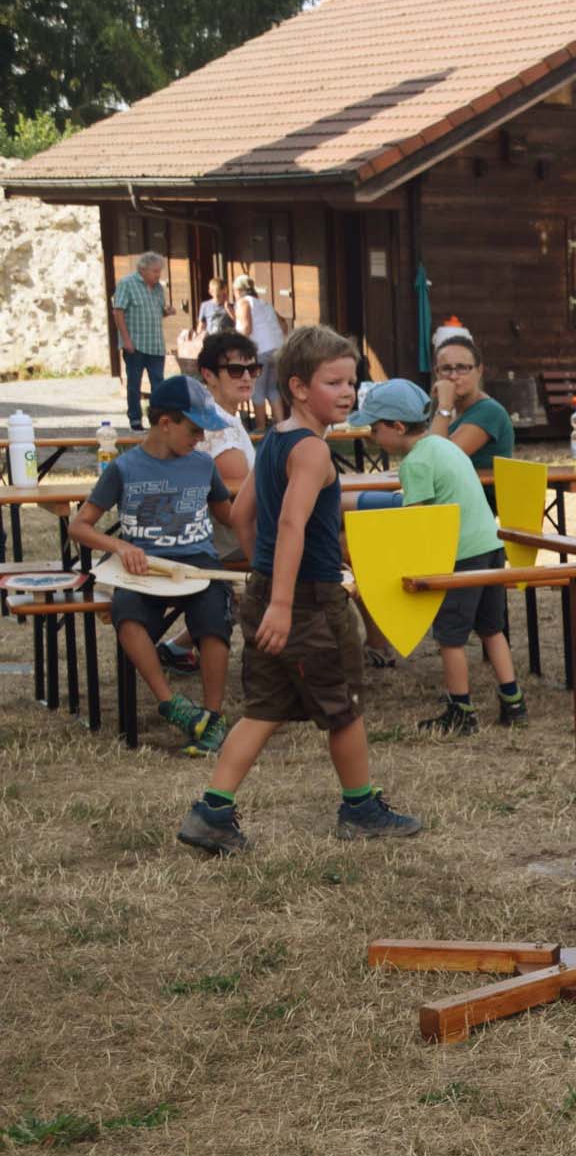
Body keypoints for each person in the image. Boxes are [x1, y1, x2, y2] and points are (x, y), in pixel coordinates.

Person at [176, 325, 421, 855]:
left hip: (271, 592)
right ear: (298, 386)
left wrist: (262, 579)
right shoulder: (310, 452)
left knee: (264, 709)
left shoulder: (274, 441)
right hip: (308, 603)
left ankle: (211, 812)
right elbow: (289, 525)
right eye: (333, 382)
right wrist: (284, 602)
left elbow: (243, 513)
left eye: (351, 381)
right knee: (345, 707)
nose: (347, 392)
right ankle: (360, 807)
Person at [344, 379, 526, 735]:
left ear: (397, 427)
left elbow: (418, 526)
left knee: (450, 637)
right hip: (489, 546)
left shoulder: (416, 464)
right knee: (492, 628)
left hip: (460, 555)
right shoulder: (444, 447)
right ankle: (513, 700)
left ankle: (461, 710)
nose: (371, 435)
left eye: (374, 427)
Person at [66, 377, 236, 756]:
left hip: (198, 561)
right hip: (143, 565)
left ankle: (212, 717)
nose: (199, 438)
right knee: (127, 616)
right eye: (193, 430)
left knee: (214, 622)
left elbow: (228, 515)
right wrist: (120, 546)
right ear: (165, 423)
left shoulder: (203, 464)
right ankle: (172, 705)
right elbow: (79, 526)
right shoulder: (125, 468)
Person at [157, 330, 264, 674]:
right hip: (223, 536)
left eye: (253, 369)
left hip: (221, 532)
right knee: (330, 539)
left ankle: (177, 647)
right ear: (208, 374)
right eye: (235, 370)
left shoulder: (223, 417)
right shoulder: (217, 426)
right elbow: (240, 494)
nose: (246, 377)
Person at [427, 335, 514, 474]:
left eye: (462, 368)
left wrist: (444, 406)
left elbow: (438, 461)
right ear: (437, 373)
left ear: (479, 370)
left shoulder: (489, 411)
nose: (453, 376)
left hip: (482, 495)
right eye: (446, 368)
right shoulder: (450, 411)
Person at [111, 252, 168, 431]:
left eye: (159, 271)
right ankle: (135, 420)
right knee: (134, 385)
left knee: (159, 385)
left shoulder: (159, 288)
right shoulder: (127, 284)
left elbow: (158, 312)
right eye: (155, 271)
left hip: (156, 345)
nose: (158, 275)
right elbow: (118, 312)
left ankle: (158, 420)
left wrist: (167, 311)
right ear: (142, 270)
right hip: (135, 345)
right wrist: (126, 340)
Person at [232, 274, 287, 429]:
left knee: (257, 391)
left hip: (260, 350)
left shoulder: (244, 302)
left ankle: (261, 430)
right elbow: (283, 324)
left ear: (238, 290)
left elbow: (246, 328)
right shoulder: (264, 303)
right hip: (277, 349)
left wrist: (233, 342)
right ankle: (281, 428)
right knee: (272, 389)